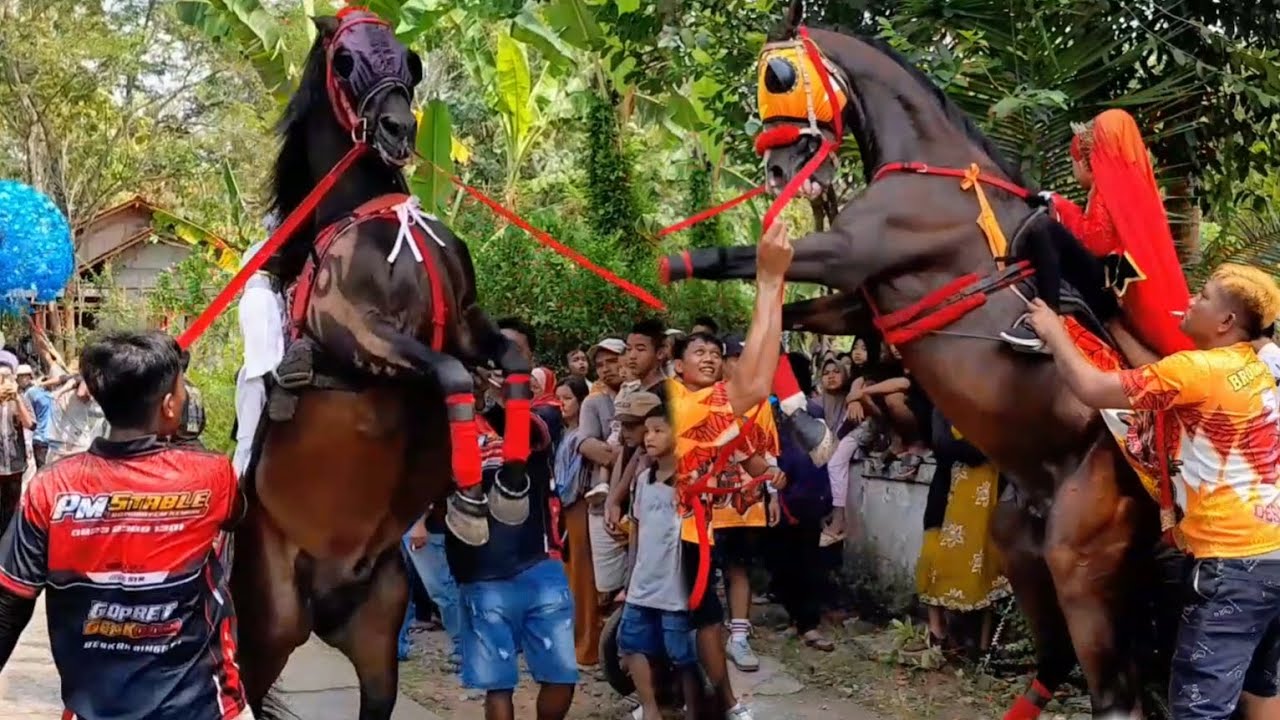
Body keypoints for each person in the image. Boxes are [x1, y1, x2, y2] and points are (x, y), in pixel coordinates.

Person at [1024, 263, 1280, 719]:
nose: (1190, 301)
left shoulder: (1197, 370)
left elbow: (1093, 388)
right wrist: (1117, 325)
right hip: (1273, 554)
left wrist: (1054, 331)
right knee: (1259, 687)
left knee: (1199, 706)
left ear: (1226, 321)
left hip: (1232, 562)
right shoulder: (1253, 366)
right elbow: (1160, 380)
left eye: (1203, 296)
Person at [0, 330, 249, 720]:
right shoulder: (212, 477)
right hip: (203, 708)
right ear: (170, 406)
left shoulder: (50, 488)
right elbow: (237, 515)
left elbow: (9, 604)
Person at [664, 219, 794, 720]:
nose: (710, 359)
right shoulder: (680, 404)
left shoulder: (707, 405)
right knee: (685, 622)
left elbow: (754, 388)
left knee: (699, 620)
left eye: (715, 354)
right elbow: (757, 383)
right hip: (674, 533)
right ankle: (706, 703)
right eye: (698, 352)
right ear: (676, 364)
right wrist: (770, 282)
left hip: (696, 529)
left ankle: (706, 702)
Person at [442, 327, 576, 720]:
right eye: (494, 351)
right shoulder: (453, 425)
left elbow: (527, 427)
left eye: (512, 352)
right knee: (498, 686)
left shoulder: (544, 415)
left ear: (529, 360)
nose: (500, 359)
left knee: (561, 676)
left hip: (538, 565)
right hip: (479, 573)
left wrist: (505, 391)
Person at [1007, 109, 1194, 356]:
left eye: (1074, 163)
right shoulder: (1140, 185)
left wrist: (1058, 203)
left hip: (1110, 285)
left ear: (1086, 160)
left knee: (1044, 229)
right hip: (1129, 283)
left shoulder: (1108, 189)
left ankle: (1046, 322)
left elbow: (1096, 240)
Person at [617, 402, 701, 720]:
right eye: (647, 431)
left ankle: (694, 710)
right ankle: (650, 709)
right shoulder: (643, 480)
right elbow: (636, 531)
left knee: (682, 653)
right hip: (643, 582)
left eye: (658, 430)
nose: (649, 437)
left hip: (675, 585)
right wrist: (630, 578)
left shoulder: (691, 482)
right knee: (631, 643)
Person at [914, 410, 1010, 656]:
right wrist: (988, 446)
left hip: (990, 500)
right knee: (934, 559)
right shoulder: (944, 408)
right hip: (947, 497)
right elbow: (945, 446)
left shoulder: (994, 406)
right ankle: (938, 635)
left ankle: (985, 647)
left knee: (989, 567)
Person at [232, 236, 287, 477]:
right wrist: (270, 379)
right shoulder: (258, 296)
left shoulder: (267, 294)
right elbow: (261, 351)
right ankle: (237, 488)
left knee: (252, 442)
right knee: (248, 442)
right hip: (259, 378)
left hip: (262, 376)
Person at [0, 364, 34, 529]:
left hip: (15, 465)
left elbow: (30, 424)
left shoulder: (20, 399)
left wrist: (17, 399)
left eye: (7, 378)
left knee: (11, 507)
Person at [17, 364, 57, 468]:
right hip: (43, 438)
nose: (22, 379)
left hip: (47, 438)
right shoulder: (30, 393)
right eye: (20, 377)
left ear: (30, 376)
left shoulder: (33, 392)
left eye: (24, 376)